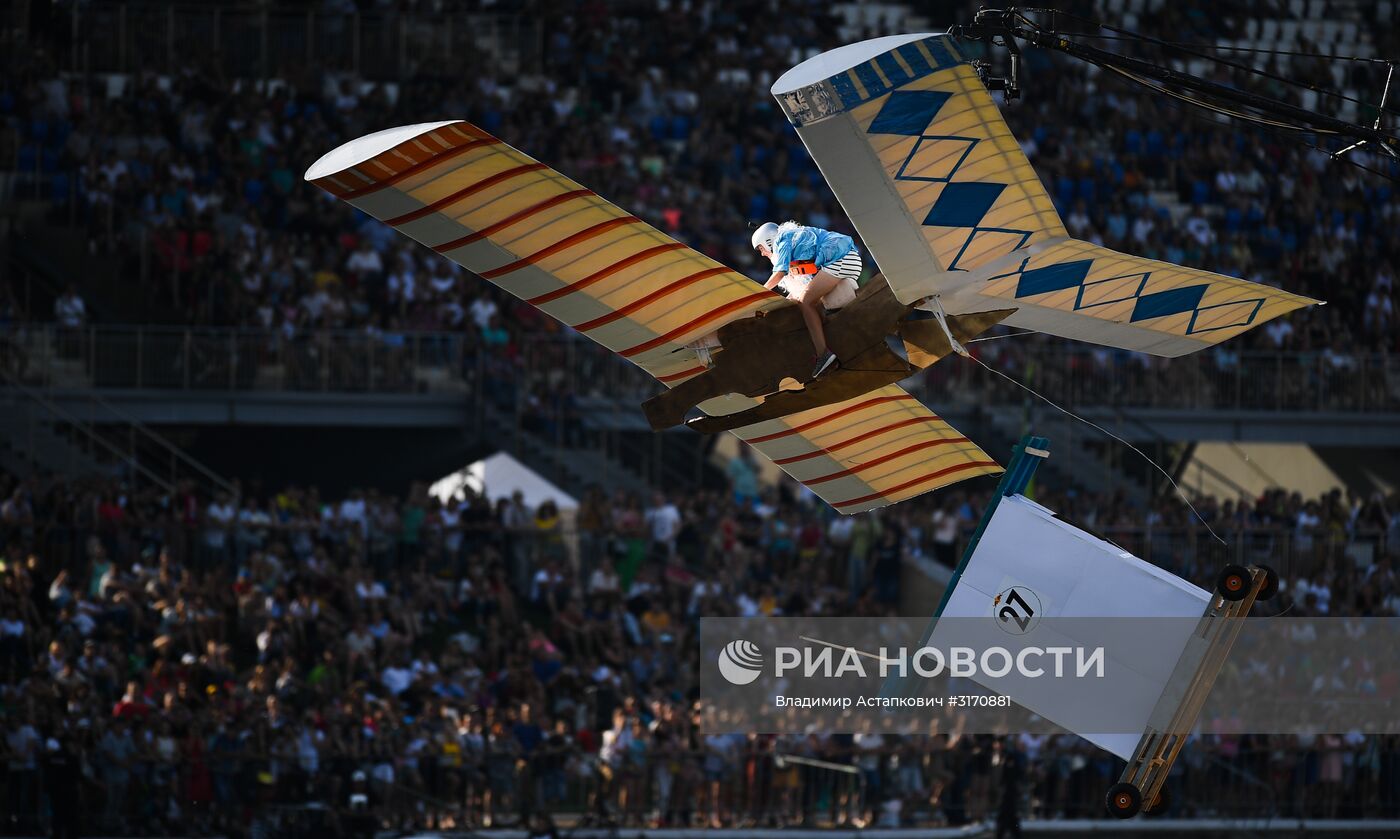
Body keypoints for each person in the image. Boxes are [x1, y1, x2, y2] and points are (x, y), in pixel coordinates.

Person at [750, 220, 863, 378]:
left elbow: (779, 273)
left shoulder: (783, 240)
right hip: (848, 259)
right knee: (807, 299)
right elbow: (803, 282)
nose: (762, 254)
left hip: (840, 260)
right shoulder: (796, 239)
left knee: (806, 302)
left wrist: (757, 296)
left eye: (761, 248)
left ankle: (823, 354)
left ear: (768, 241)